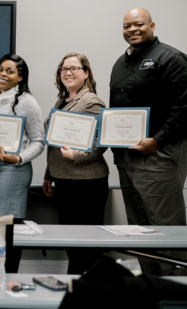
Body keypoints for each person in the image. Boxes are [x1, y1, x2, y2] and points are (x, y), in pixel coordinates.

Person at [110, 8, 187, 276]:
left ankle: (179, 294)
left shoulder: (171, 58)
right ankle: (151, 288)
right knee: (140, 229)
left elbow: (186, 108)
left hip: (158, 153)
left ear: (152, 25)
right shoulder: (121, 63)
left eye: (138, 24)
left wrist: (156, 141)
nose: (132, 30)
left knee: (166, 228)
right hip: (127, 157)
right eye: (127, 26)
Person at [0, 54, 44, 273]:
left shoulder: (27, 102)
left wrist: (19, 158)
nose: (2, 74)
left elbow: (39, 141)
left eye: (10, 71)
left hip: (14, 171)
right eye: (0, 69)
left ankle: (8, 280)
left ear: (20, 77)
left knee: (8, 230)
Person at [42, 53, 109, 275]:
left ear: (86, 72)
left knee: (86, 246)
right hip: (65, 180)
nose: (68, 72)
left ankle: (88, 293)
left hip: (87, 182)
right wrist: (49, 174)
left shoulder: (91, 101)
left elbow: (103, 140)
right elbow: (55, 142)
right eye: (63, 69)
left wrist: (77, 156)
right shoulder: (63, 100)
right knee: (73, 243)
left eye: (74, 68)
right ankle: (76, 290)